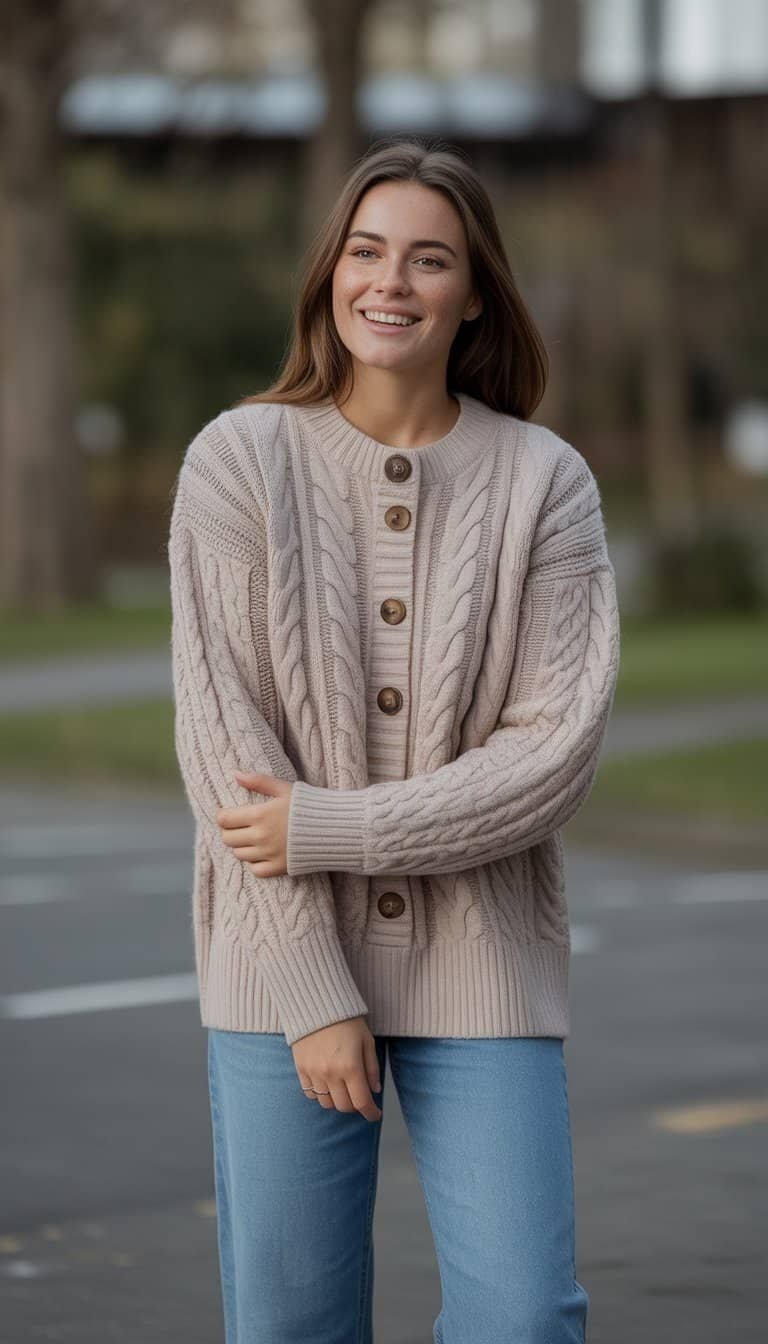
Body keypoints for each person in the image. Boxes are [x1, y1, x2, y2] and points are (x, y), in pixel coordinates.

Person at [167, 136, 620, 1344]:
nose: (391, 283)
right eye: (366, 252)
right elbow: (224, 744)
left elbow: (551, 753)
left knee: (524, 1315)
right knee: (292, 1323)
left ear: (475, 291)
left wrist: (330, 826)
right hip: (281, 970)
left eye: (429, 259)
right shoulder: (238, 460)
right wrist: (312, 992)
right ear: (328, 274)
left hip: (485, 960)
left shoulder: (546, 483)